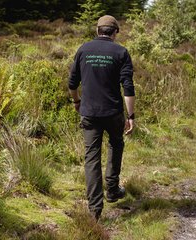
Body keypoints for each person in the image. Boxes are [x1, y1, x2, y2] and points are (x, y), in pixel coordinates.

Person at [68, 15, 136, 221]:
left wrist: (77, 102)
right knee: (116, 144)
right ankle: (112, 189)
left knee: (91, 158)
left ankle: (94, 210)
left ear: (98, 30)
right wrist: (131, 115)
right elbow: (128, 87)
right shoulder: (121, 52)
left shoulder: (83, 49)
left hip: (88, 113)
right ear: (114, 32)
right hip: (113, 112)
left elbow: (72, 83)